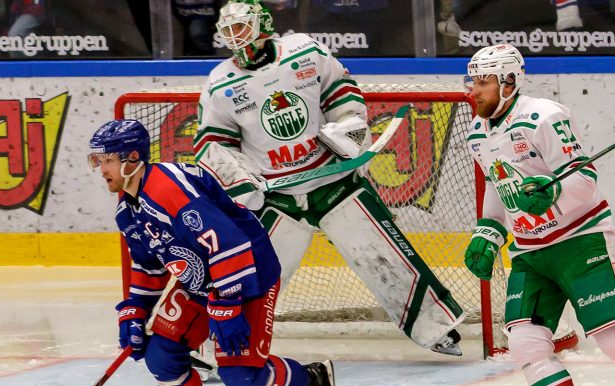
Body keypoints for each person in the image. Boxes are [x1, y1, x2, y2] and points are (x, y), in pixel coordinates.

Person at [194, 0, 465, 360]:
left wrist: (349, 127)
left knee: (383, 254)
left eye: (241, 27)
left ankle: (437, 327)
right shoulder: (220, 83)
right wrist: (242, 180)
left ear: (262, 25)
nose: (234, 36)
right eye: (228, 29)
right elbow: (212, 144)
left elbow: (341, 90)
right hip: (278, 198)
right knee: (250, 272)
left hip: (334, 181)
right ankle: (219, 349)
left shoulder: (303, 51)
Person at [88, 119, 337, 386]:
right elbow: (149, 266)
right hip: (199, 283)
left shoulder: (168, 190)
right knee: (163, 358)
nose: (101, 169)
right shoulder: (127, 211)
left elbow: (228, 244)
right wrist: (134, 311)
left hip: (248, 277)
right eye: (97, 161)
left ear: (132, 158)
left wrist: (227, 306)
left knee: (242, 378)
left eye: (107, 160)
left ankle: (310, 379)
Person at [463, 43, 615, 386]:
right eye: (471, 80)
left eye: (483, 81)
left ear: (509, 82)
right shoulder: (478, 132)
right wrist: (488, 232)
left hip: (580, 239)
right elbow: (497, 187)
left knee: (611, 340)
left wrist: (552, 192)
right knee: (527, 346)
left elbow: (584, 179)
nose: (473, 90)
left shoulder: (543, 116)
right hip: (531, 252)